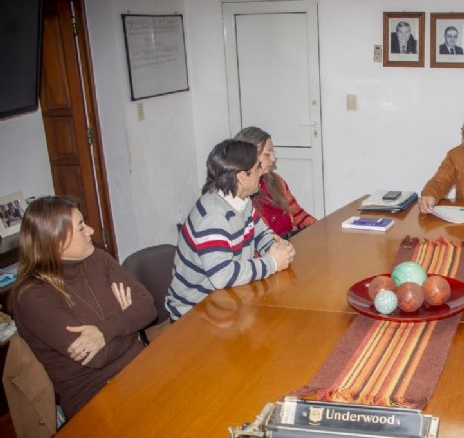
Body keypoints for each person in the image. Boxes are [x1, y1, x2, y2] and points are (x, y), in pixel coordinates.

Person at [10, 196, 156, 420]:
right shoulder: (32, 296)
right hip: (97, 397)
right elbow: (96, 357)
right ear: (56, 241)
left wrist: (104, 331)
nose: (90, 231)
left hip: (142, 368)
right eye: (81, 227)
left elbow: (147, 307)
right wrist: (130, 324)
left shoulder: (97, 258)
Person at [165, 139, 296, 320]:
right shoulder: (212, 216)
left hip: (227, 300)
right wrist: (273, 263)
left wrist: (277, 249)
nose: (261, 172)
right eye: (257, 167)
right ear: (242, 176)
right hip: (194, 313)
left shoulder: (242, 201)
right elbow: (221, 276)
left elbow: (261, 233)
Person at [234, 126, 317, 238]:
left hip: (289, 244)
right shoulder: (240, 192)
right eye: (267, 154)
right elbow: (253, 243)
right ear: (249, 156)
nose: (273, 159)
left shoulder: (276, 180)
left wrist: (320, 228)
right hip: (269, 253)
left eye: (273, 153)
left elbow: (299, 215)